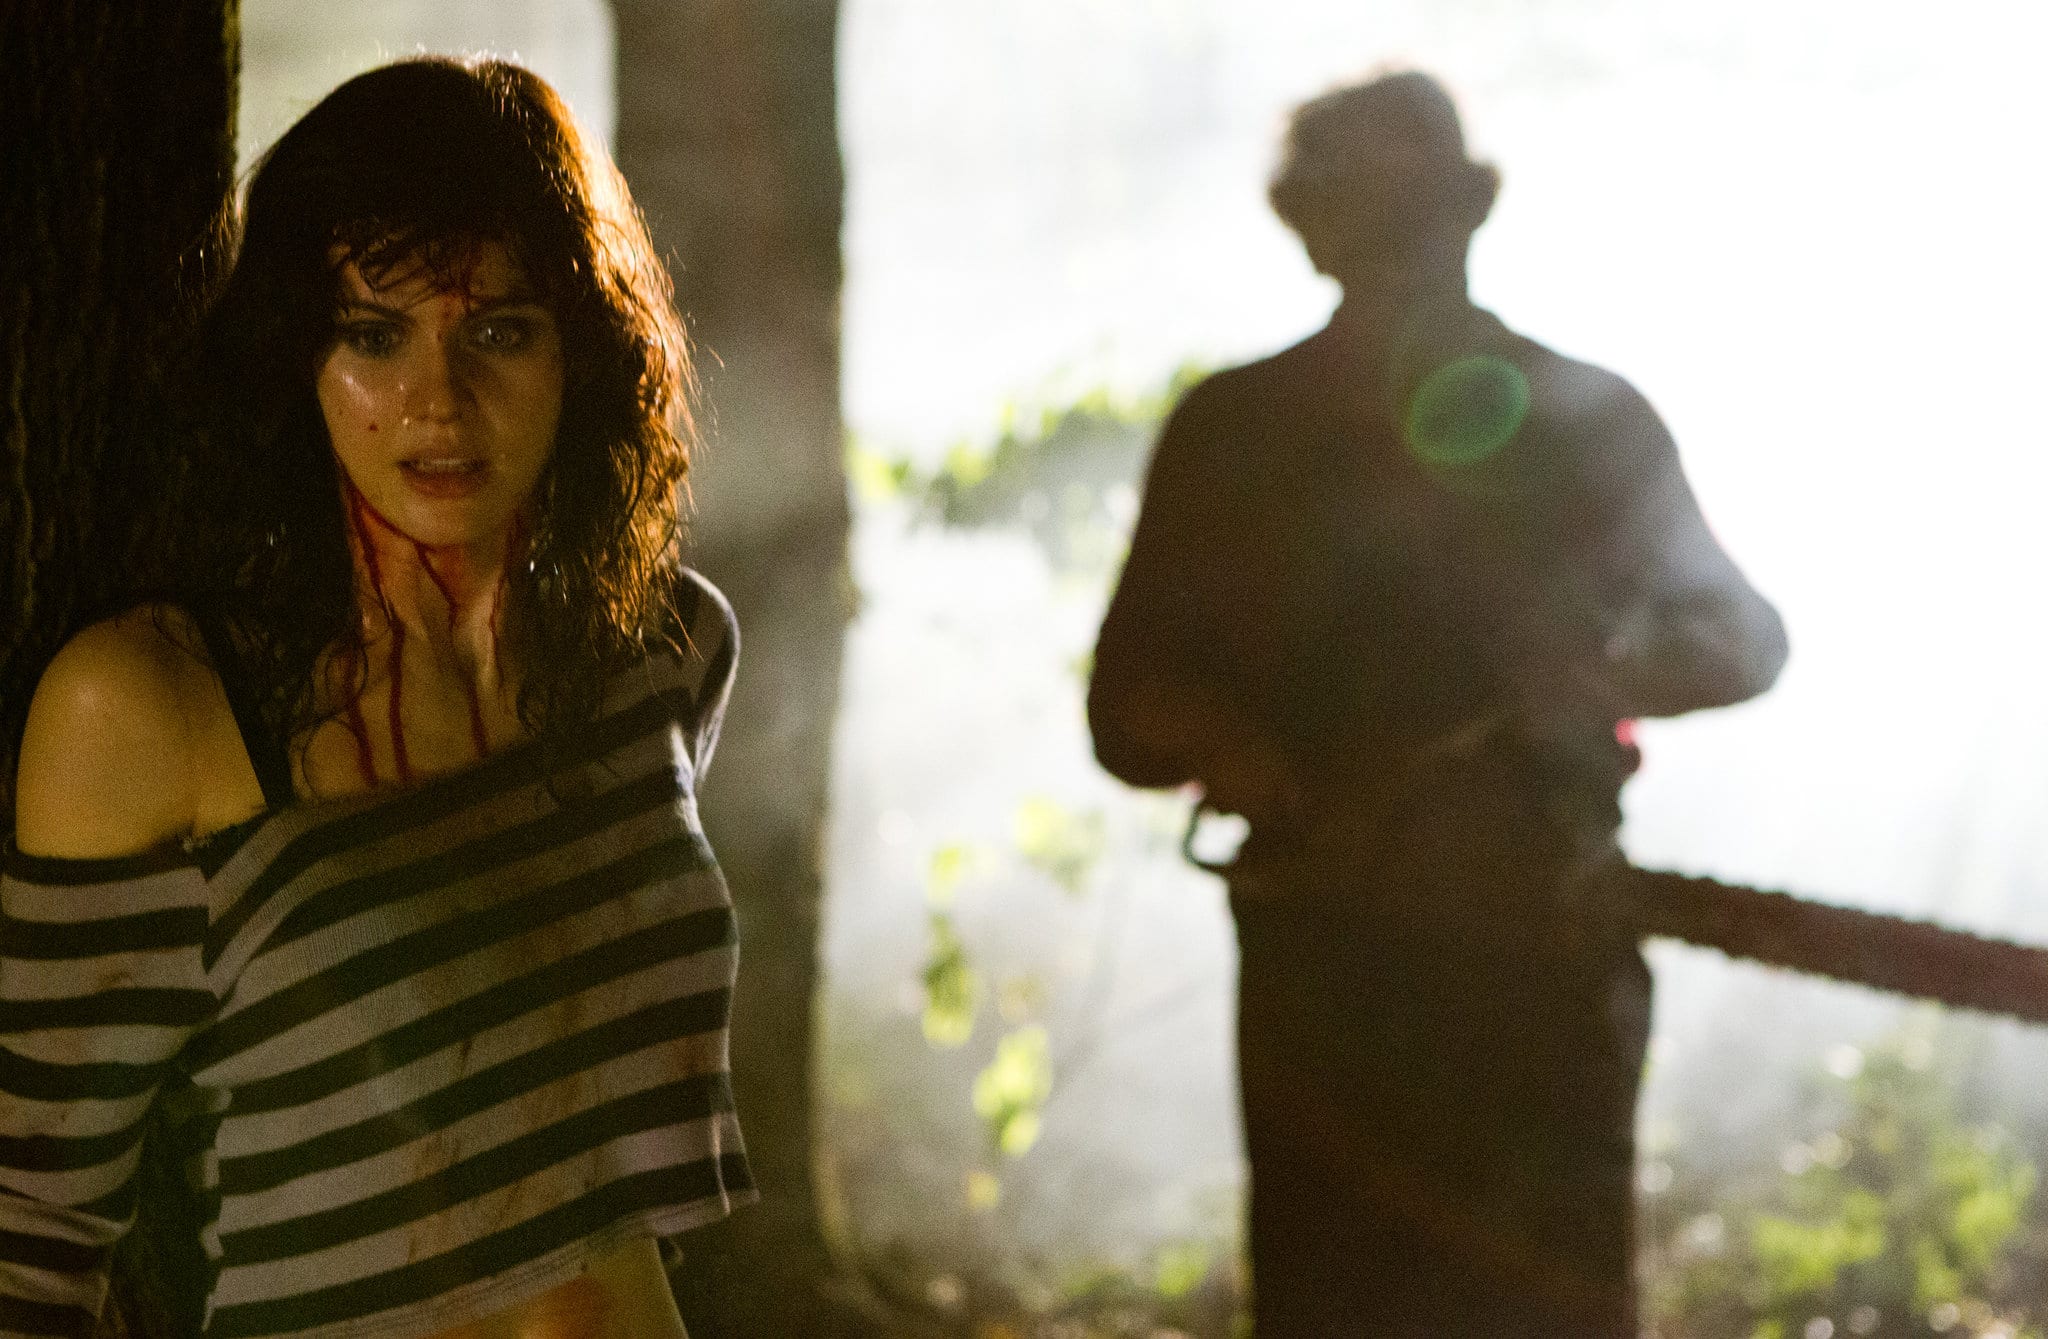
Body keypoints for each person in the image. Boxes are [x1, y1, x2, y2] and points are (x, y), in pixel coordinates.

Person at [0, 58, 750, 1339]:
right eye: (373, 335)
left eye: (499, 330)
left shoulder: (658, 649)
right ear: (294, 359)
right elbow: (25, 1239)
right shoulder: (155, 709)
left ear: (582, 350)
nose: (438, 400)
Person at [1088, 71, 1787, 1336]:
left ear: (1466, 213)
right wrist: (1240, 750)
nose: (1396, 240)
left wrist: (1598, 674)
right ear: (1311, 229)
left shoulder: (1584, 420)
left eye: (1412, 209)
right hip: (1333, 964)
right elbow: (1127, 708)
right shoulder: (1233, 433)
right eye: (1367, 210)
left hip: (1532, 946)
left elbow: (1740, 640)